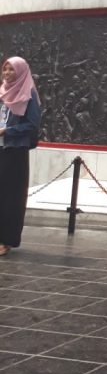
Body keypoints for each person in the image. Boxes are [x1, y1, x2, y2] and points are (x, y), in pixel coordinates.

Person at [0, 57, 42, 256]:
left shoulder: (29, 93)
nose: (7, 73)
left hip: (15, 151)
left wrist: (7, 131)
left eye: (12, 70)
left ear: (21, 72)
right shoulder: (2, 91)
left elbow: (32, 124)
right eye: (5, 69)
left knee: (11, 197)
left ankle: (6, 240)